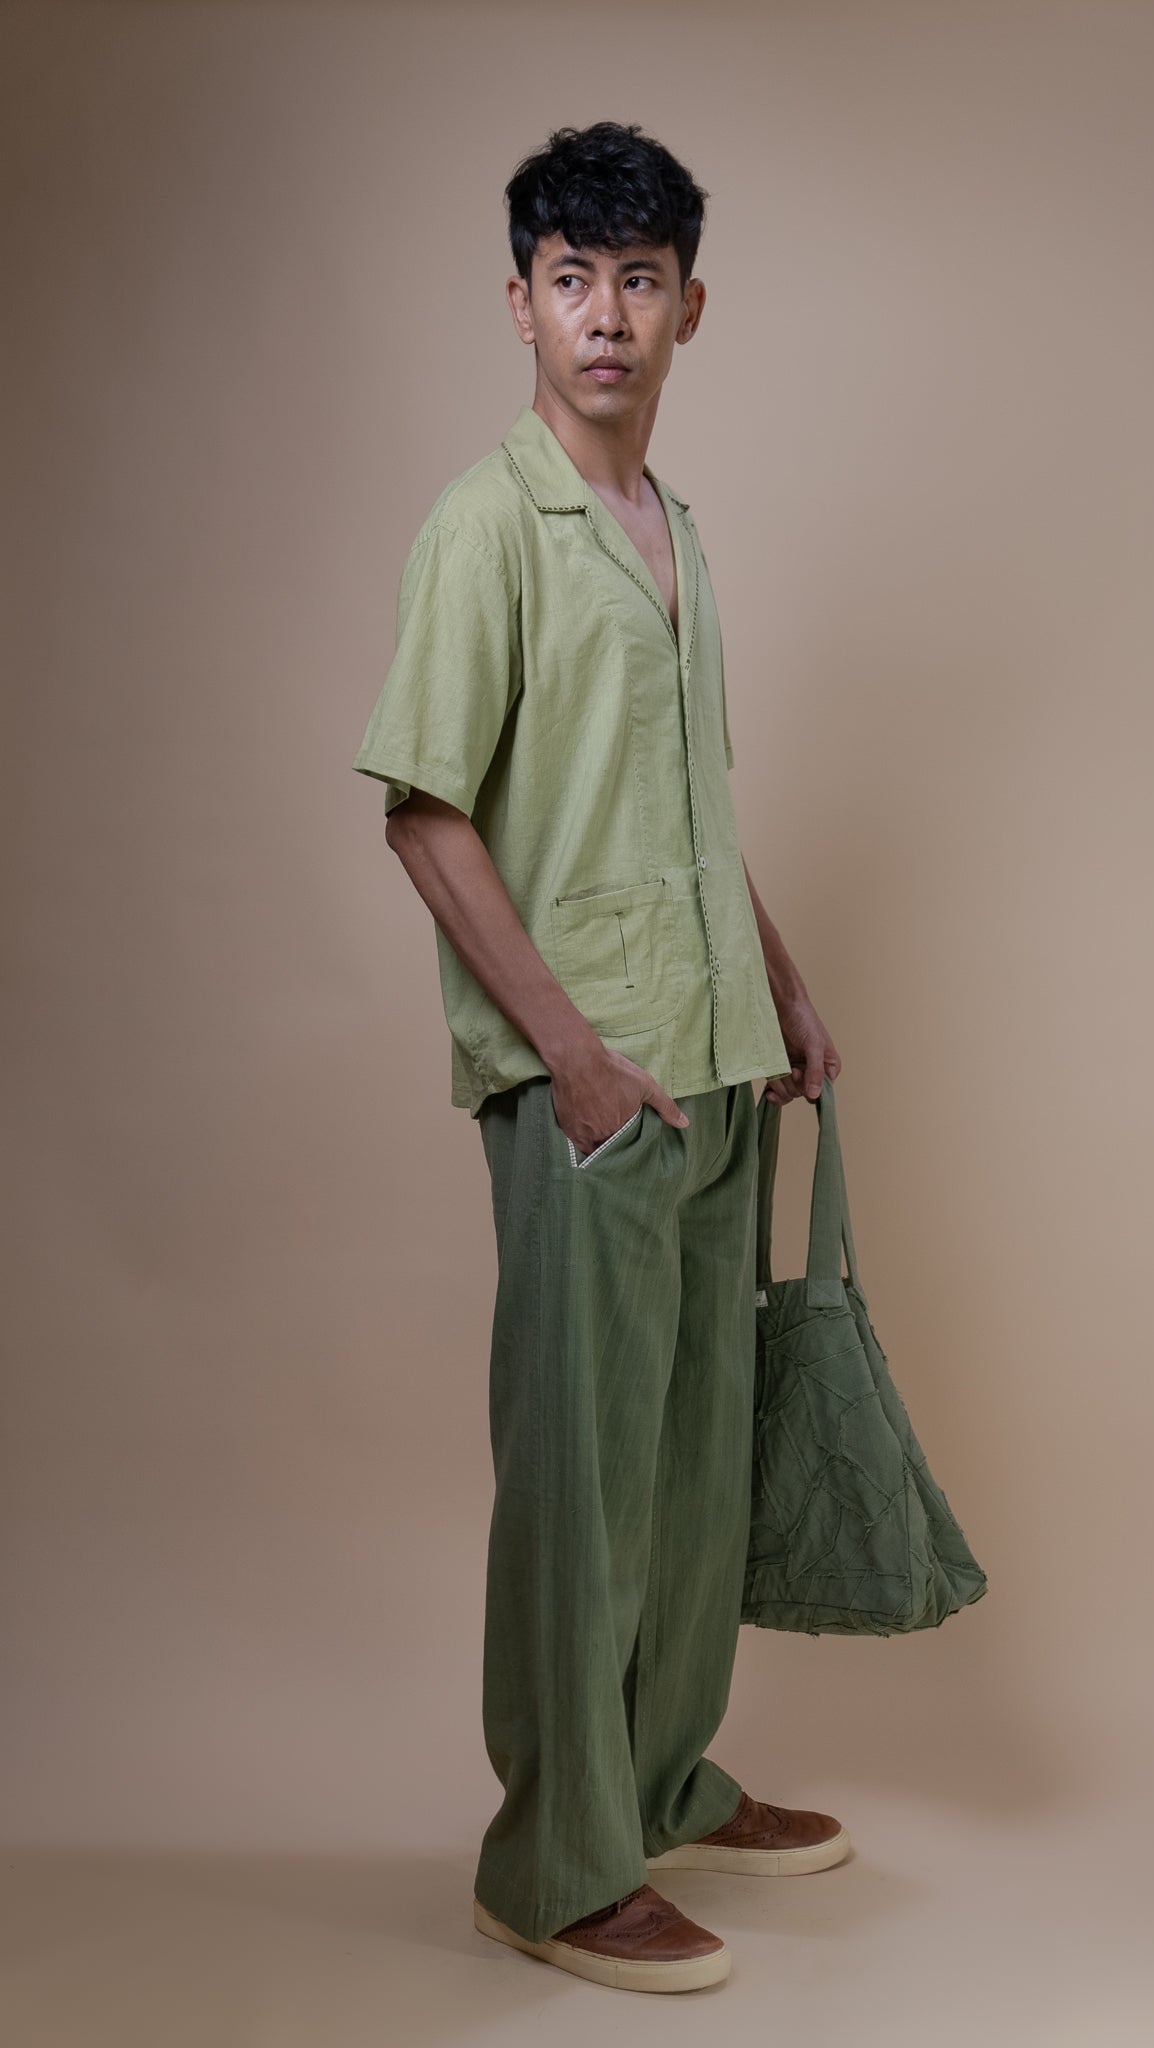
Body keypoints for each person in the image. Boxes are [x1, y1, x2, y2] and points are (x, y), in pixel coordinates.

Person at [352, 119, 849, 1994]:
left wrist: (778, 983)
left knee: (693, 1465)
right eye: (574, 279)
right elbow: (422, 811)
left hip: (713, 1058)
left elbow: (689, 803)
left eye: (641, 279)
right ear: (522, 304)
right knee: (580, 1478)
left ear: (689, 307)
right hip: (594, 1090)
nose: (608, 315)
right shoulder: (487, 528)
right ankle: (556, 1862)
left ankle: (659, 1778)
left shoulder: (675, 529)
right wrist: (563, 1050)